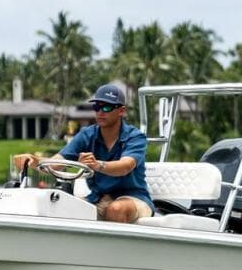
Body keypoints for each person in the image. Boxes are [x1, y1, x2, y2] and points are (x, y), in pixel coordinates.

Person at [12, 83, 153, 223]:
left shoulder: (135, 137)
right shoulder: (87, 134)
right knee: (60, 206)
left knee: (116, 209)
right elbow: (56, 163)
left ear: (121, 111)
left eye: (107, 107)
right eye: (97, 107)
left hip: (133, 198)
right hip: (98, 198)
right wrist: (32, 160)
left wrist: (97, 165)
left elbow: (125, 166)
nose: (100, 112)